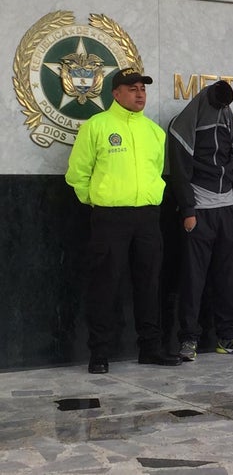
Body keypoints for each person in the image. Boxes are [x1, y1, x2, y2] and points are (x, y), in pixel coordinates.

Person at [65, 67, 182, 374]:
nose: (140, 94)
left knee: (150, 283)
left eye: (142, 88)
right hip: (110, 217)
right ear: (116, 94)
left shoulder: (154, 132)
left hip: (147, 217)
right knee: (105, 285)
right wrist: (96, 198)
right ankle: (99, 353)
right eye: (132, 89)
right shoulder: (97, 126)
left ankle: (150, 348)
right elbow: (77, 173)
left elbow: (156, 171)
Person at [168, 80, 233, 361]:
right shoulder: (184, 123)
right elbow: (179, 171)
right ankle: (189, 339)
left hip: (228, 210)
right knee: (193, 280)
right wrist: (188, 210)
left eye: (225, 105)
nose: (221, 108)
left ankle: (228, 336)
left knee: (230, 279)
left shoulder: (229, 121)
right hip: (199, 208)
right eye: (218, 103)